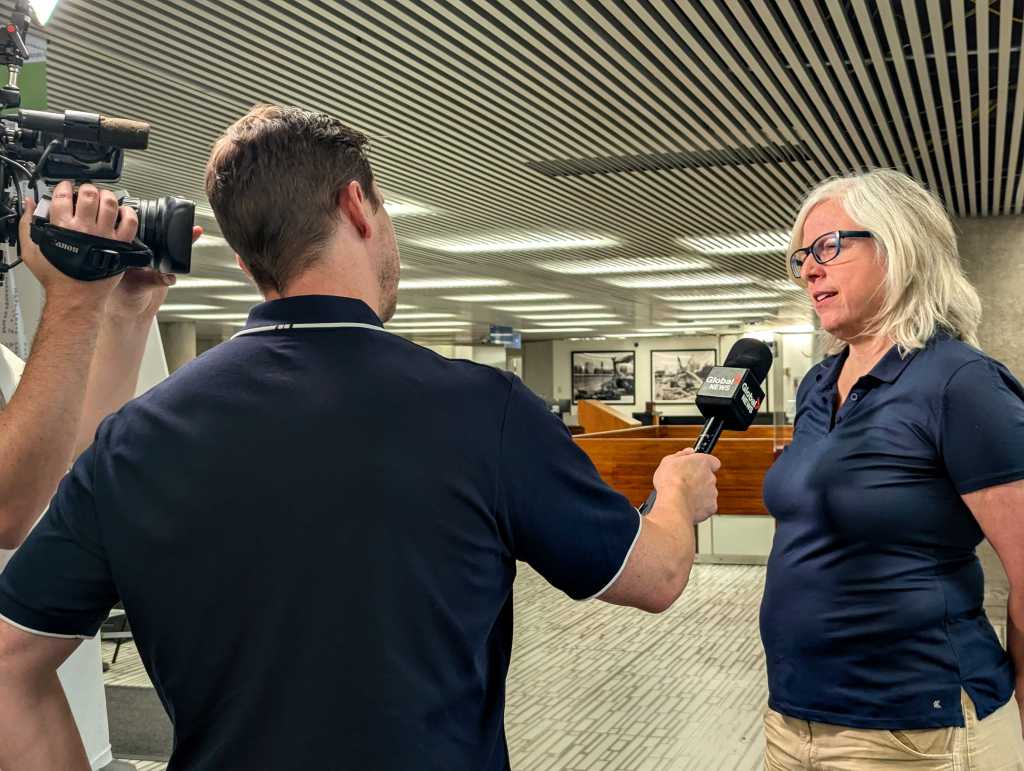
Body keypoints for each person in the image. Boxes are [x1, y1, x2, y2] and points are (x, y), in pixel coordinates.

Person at [0, 105, 721, 771]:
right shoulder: (481, 409)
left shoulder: (135, 437)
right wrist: (676, 491)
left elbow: (9, 663)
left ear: (251, 262)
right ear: (356, 204)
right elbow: (654, 576)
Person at [761, 168, 1024, 769]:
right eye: (802, 254)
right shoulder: (819, 383)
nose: (808, 268)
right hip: (794, 720)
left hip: (916, 732)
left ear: (901, 247)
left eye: (829, 246)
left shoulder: (961, 382)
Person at [0, 181, 200, 770]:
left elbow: (76, 484)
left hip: (49, 724)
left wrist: (125, 308)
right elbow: (8, 510)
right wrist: (74, 298)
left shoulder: (12, 371)